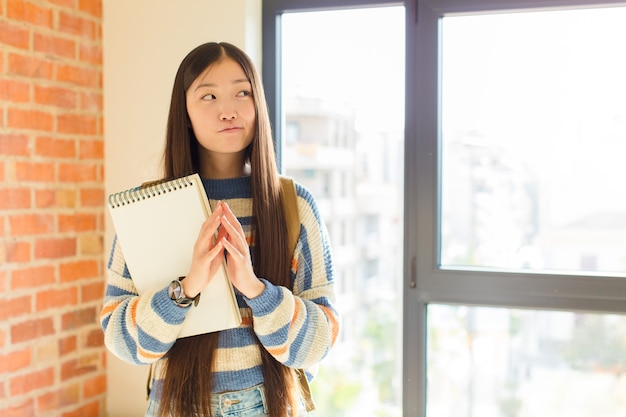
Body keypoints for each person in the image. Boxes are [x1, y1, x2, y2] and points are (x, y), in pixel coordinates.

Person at [100, 42, 340, 417]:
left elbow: (320, 342)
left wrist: (256, 290)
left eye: (242, 92)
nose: (228, 110)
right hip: (174, 405)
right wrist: (186, 288)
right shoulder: (148, 206)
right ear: (185, 113)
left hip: (269, 404)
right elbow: (121, 340)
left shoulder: (293, 204)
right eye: (208, 95)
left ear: (258, 103)